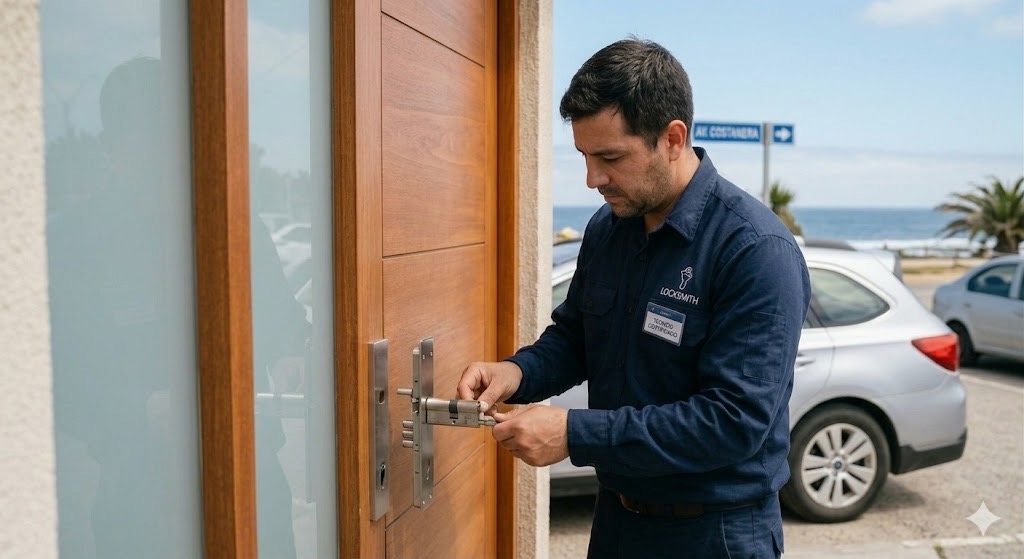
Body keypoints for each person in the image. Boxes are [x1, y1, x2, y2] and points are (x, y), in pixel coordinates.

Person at [458, 38, 810, 558]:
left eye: (610, 157)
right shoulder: (609, 227)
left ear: (672, 138)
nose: (592, 179)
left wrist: (575, 435)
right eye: (583, 156)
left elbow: (733, 422)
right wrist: (518, 372)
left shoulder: (754, 249)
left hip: (717, 536)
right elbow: (578, 336)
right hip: (618, 522)